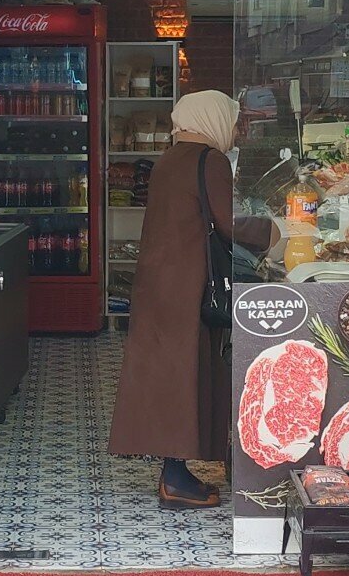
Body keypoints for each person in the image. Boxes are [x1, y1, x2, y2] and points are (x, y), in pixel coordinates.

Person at [108, 90, 277, 511]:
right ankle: (176, 480)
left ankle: (175, 472)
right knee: (186, 377)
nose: (236, 129)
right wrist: (276, 232)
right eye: (233, 119)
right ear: (213, 119)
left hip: (161, 284)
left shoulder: (170, 158)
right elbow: (227, 221)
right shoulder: (209, 159)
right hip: (189, 286)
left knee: (169, 378)